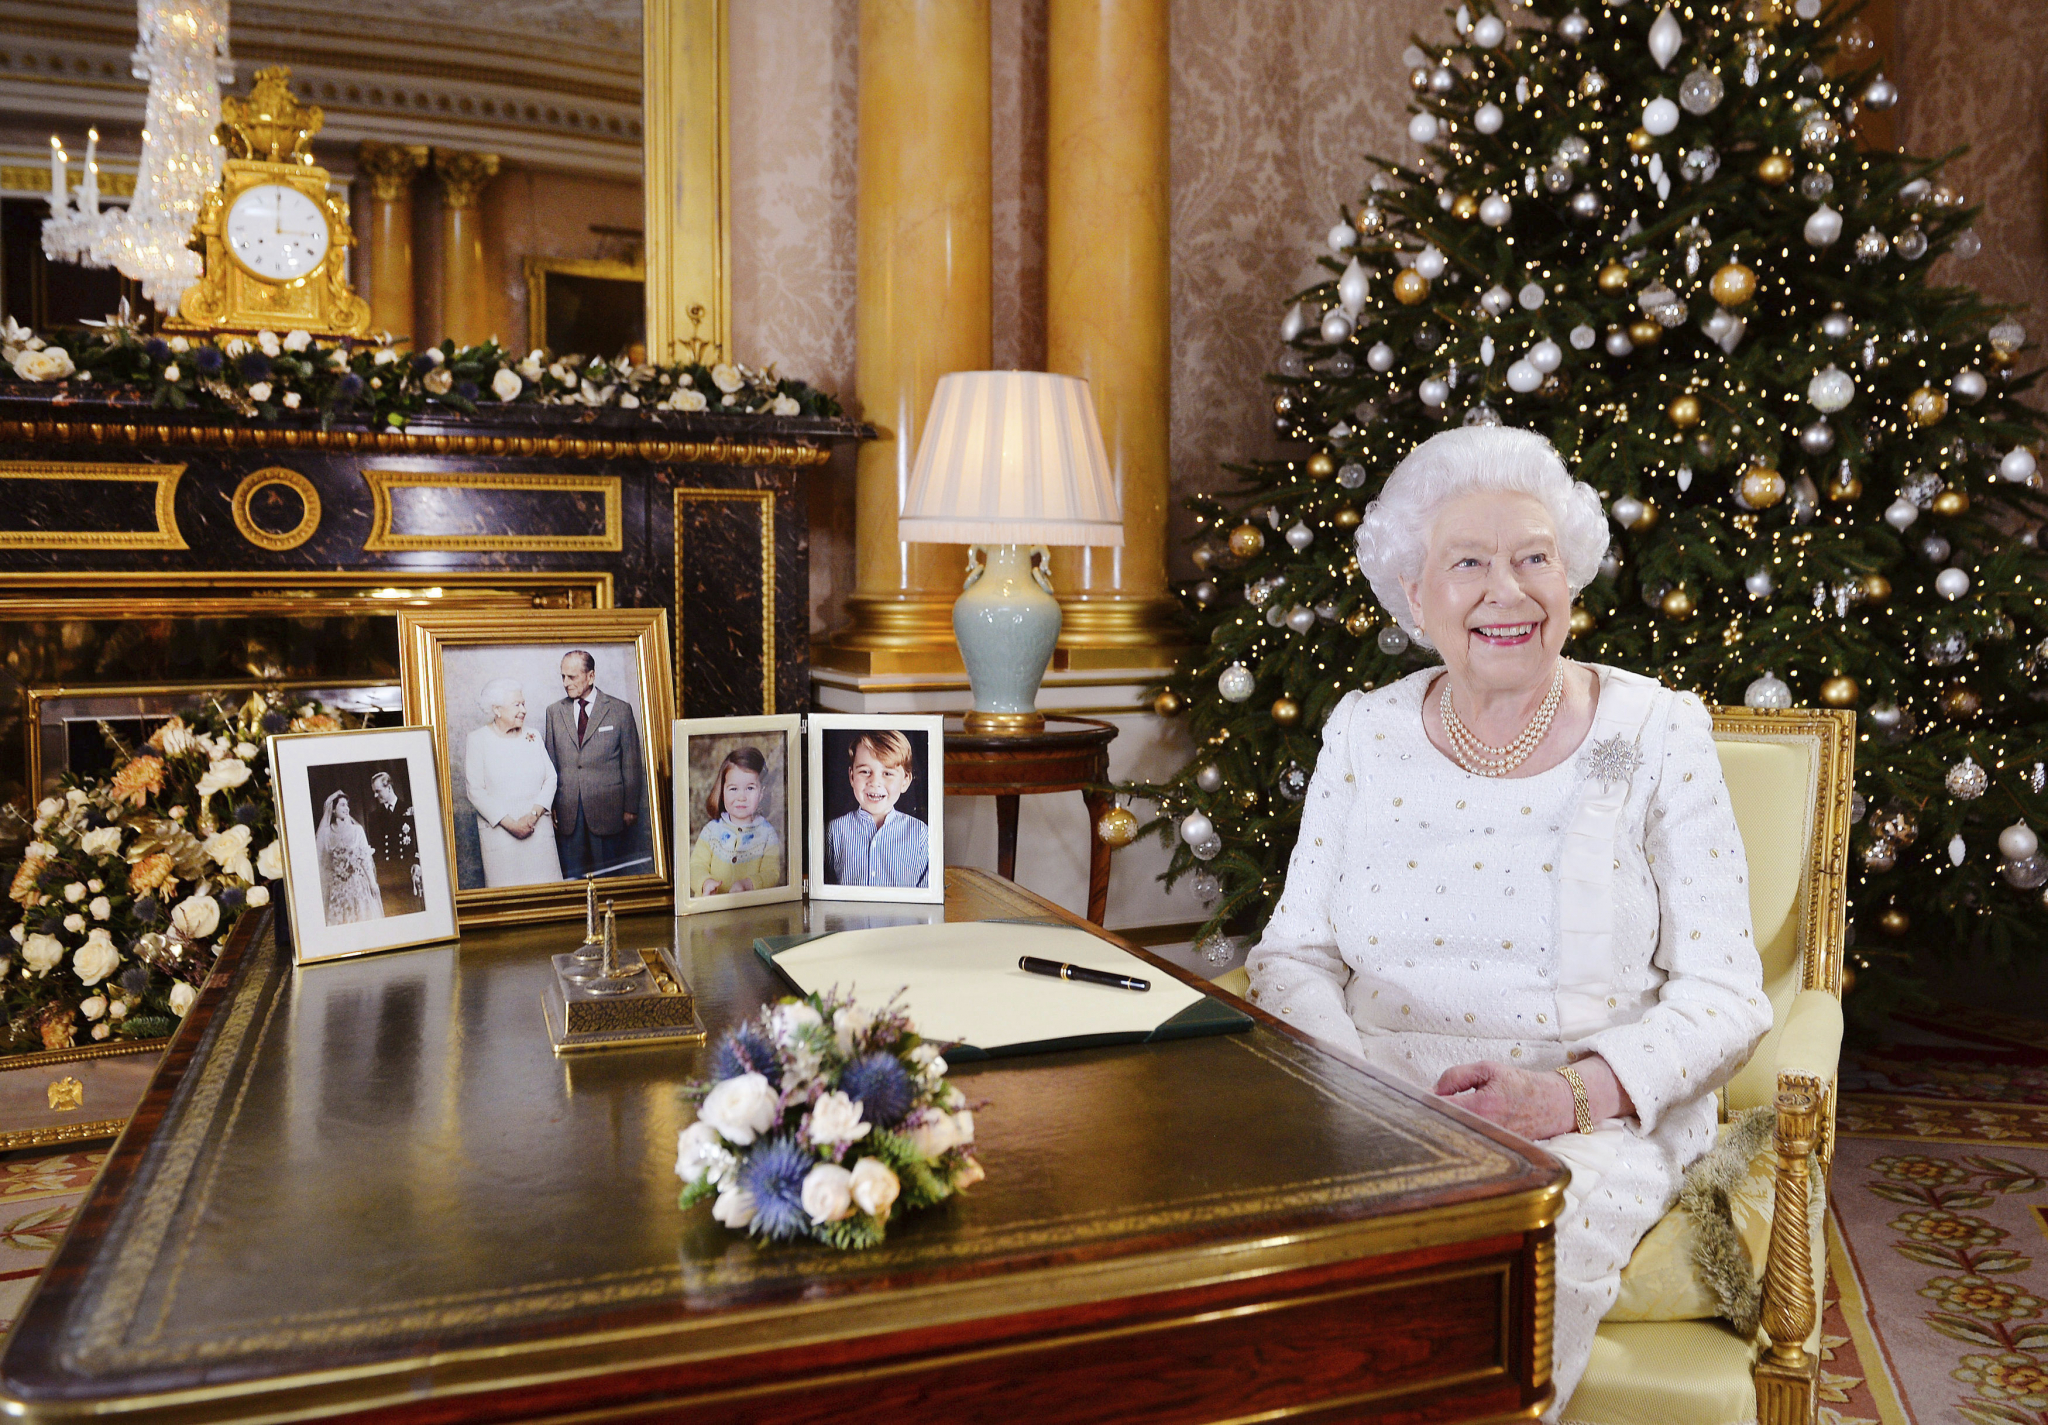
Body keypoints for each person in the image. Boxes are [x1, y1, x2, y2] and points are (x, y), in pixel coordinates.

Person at [1243, 426, 1770, 1419]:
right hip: (1366, 1097)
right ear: (1412, 595)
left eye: (1533, 559)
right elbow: (1294, 954)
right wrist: (1346, 1089)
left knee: (1490, 1277)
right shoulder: (1363, 729)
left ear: (1569, 582)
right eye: (1468, 562)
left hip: (1581, 1121)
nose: (1506, 591)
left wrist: (1570, 1096)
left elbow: (1723, 993)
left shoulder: (1653, 732)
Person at [544, 650, 644, 879]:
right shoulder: (553, 712)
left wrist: (630, 806)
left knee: (608, 878)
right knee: (572, 878)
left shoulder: (619, 710)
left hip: (609, 811)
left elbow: (631, 762)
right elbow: (550, 764)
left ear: (591, 676)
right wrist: (552, 807)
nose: (565, 683)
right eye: (563, 677)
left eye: (572, 677)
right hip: (568, 813)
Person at [464, 678, 563, 888]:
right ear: (497, 709)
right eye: (517, 705)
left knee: (548, 899)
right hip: (501, 837)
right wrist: (512, 825)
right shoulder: (477, 740)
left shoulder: (533, 736)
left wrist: (533, 815)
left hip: (538, 833)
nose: (524, 710)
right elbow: (475, 791)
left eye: (524, 704)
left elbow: (551, 778)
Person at [824, 731, 928, 888]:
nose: (875, 782)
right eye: (865, 772)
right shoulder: (834, 831)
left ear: (905, 781)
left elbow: (927, 896)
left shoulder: (920, 834)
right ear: (852, 777)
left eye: (887, 773)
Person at [689, 746, 783, 897]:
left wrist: (748, 883)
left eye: (750, 788)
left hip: (750, 913)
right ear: (722, 791)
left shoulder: (767, 833)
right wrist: (705, 882)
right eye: (733, 789)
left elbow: (772, 873)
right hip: (712, 911)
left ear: (761, 793)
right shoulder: (711, 831)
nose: (741, 797)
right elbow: (696, 865)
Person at [314, 790, 382, 925]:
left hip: (358, 885)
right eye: (342, 805)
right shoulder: (326, 834)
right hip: (337, 889)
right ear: (333, 810)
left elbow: (365, 859)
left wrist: (373, 883)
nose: (347, 808)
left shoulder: (357, 830)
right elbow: (323, 863)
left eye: (347, 805)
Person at [363, 770, 423, 916]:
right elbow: (375, 849)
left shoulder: (409, 809)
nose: (375, 796)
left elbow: (420, 841)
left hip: (407, 872)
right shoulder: (374, 816)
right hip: (386, 876)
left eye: (378, 791)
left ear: (389, 787)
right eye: (374, 792)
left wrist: (417, 862)